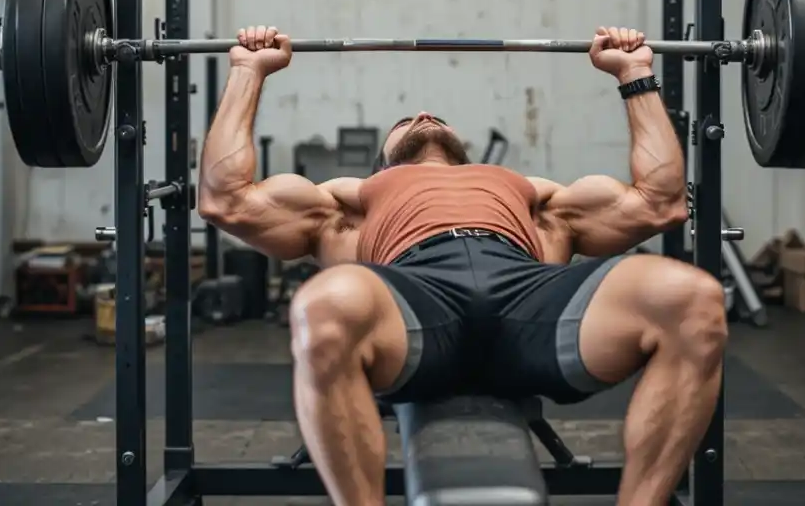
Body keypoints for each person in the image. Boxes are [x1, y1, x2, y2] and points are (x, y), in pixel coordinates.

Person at [199, 25, 727, 506]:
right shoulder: (349, 205)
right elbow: (227, 199)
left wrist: (635, 74)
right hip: (413, 305)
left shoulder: (535, 198)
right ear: (382, 163)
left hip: (531, 297)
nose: (423, 115)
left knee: (693, 299)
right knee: (322, 304)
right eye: (405, 121)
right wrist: (248, 71)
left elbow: (660, 202)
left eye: (433, 117)